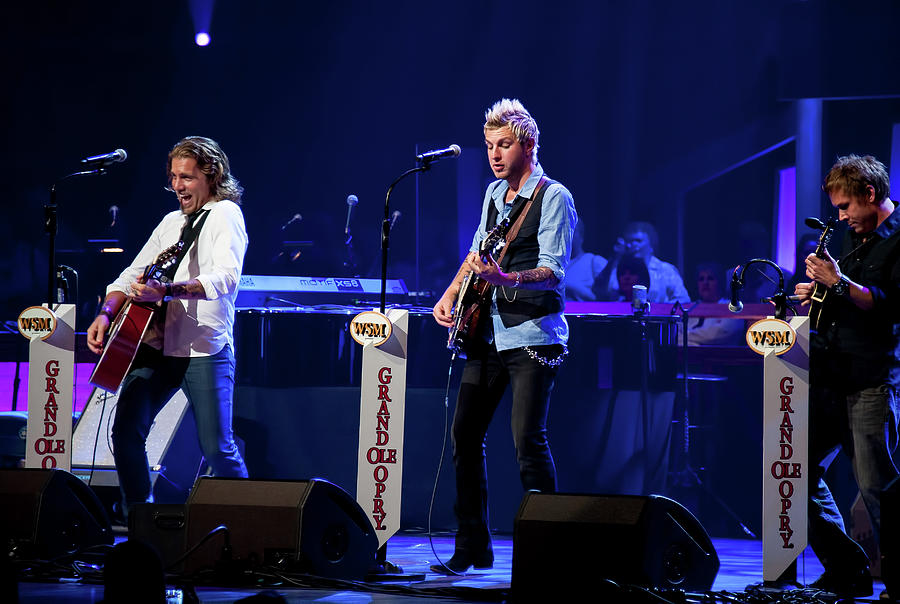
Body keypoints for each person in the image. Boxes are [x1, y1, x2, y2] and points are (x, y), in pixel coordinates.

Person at [431, 99, 576, 574]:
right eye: (490, 146)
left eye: (504, 145)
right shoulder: (494, 193)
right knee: (464, 436)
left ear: (528, 145)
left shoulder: (554, 196)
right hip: (488, 334)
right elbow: (475, 254)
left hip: (534, 334)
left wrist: (507, 281)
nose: (495, 155)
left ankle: (547, 552)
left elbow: (554, 271)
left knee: (527, 442)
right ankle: (473, 544)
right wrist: (451, 294)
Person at [87, 136, 249, 516]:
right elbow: (132, 275)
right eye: (174, 177)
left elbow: (225, 279)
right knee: (126, 432)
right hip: (156, 344)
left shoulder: (226, 214)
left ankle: (250, 523)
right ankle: (141, 519)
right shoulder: (171, 222)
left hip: (203, 347)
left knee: (217, 448)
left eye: (187, 177)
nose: (178, 186)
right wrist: (105, 315)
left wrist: (168, 291)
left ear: (212, 175)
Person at [794, 154, 900, 600]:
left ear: (870, 195)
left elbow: (887, 304)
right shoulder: (856, 238)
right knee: (793, 472)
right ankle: (847, 568)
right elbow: (845, 299)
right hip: (830, 379)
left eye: (844, 208)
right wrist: (818, 292)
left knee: (877, 488)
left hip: (870, 381)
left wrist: (836, 284)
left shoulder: (897, 241)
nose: (840, 218)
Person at [592, 221, 690, 303]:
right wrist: (613, 259)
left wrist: (659, 310)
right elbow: (599, 293)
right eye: (629, 241)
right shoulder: (616, 270)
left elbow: (683, 299)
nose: (632, 245)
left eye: (638, 241)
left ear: (651, 245)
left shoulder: (665, 270)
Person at [684, 262, 744, 346]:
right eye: (701, 279)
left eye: (710, 278)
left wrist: (686, 337)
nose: (705, 283)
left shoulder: (732, 307)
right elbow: (677, 333)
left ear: (720, 282)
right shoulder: (690, 308)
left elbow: (717, 334)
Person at [564, 220, 607, 301]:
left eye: (571, 231)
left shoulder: (595, 261)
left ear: (581, 236)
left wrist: (567, 285)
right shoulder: (552, 264)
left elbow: (605, 298)